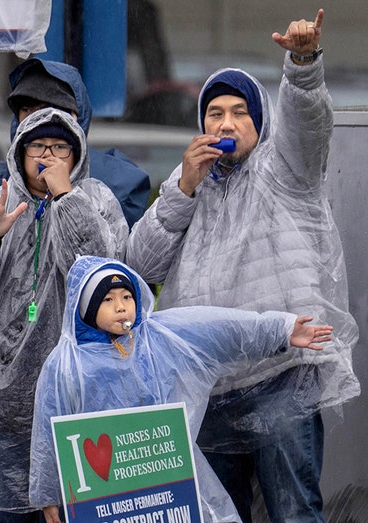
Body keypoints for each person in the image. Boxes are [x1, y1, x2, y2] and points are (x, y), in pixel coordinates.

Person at [125, 9, 359, 522]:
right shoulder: (187, 187)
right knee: (213, 515)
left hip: (281, 377)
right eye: (214, 114)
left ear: (259, 122)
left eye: (239, 113)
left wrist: (301, 64)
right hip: (208, 386)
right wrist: (182, 188)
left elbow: (308, 122)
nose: (225, 124)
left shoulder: (286, 170)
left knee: (293, 511)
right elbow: (141, 266)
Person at [30, 256, 333, 523]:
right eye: (107, 300)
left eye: (126, 296)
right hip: (102, 494)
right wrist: (48, 494)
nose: (121, 307)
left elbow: (218, 328)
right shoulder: (65, 364)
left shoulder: (155, 338)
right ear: (86, 307)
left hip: (164, 481)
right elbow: (47, 431)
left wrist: (280, 329)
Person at [0, 107, 127, 520]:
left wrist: (65, 200)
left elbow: (103, 282)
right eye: (38, 146)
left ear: (76, 157)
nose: (48, 156)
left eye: (60, 148)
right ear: (19, 154)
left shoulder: (95, 200)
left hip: (75, 403)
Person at [0, 58, 151, 365]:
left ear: (77, 116)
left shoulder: (114, 183)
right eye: (29, 111)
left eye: (55, 111)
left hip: (79, 362)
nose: (43, 120)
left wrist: (66, 198)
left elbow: (106, 271)